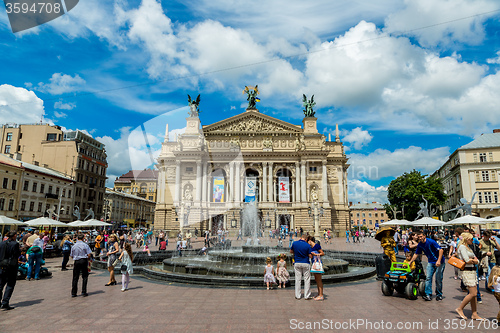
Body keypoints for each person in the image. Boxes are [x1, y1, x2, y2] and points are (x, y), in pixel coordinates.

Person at [407, 230, 444, 301]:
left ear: (424, 236)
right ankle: (428, 294)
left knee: (438, 279)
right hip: (430, 262)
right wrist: (411, 261)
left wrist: (439, 260)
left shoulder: (431, 241)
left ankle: (439, 294)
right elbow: (416, 254)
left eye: (421, 236)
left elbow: (441, 250)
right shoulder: (420, 244)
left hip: (440, 262)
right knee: (428, 278)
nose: (420, 238)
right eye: (418, 237)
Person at [455, 233, 484, 320]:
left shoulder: (469, 248)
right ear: (466, 239)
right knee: (473, 293)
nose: (472, 240)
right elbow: (467, 260)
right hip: (467, 272)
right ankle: (460, 308)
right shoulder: (462, 247)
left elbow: (477, 260)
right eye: (471, 239)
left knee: (474, 294)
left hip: (472, 271)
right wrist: (473, 261)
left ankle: (474, 314)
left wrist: (474, 261)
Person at [0, 231, 21, 310]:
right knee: (10, 284)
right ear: (14, 235)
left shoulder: (2, 243)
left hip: (1, 265)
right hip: (11, 267)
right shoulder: (15, 244)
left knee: (1, 284)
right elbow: (16, 254)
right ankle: (5, 302)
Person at [290, 233, 312, 300]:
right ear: (306, 239)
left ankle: (298, 295)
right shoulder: (307, 245)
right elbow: (310, 256)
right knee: (307, 279)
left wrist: (296, 253)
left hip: (297, 262)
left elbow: (291, 251)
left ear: (300, 238)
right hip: (305, 263)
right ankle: (306, 295)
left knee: (298, 279)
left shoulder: (294, 243)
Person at [308, 236, 325, 301]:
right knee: (316, 279)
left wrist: (315, 254)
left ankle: (321, 295)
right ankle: (319, 294)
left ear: (310, 241)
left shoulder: (317, 246)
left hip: (318, 264)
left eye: (308, 242)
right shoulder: (310, 247)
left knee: (319, 280)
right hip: (314, 264)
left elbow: (322, 253)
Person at [487, 256, 500, 322]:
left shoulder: (493, 277)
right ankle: (499, 320)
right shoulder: (498, 278)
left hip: (496, 292)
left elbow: (489, 286)